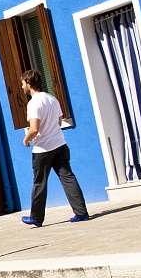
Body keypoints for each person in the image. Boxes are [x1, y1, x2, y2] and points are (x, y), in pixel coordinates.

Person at [20, 69, 89, 228]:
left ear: (29, 84)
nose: (22, 86)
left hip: (43, 149)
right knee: (68, 177)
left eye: (23, 83)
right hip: (60, 145)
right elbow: (58, 122)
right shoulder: (52, 99)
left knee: (39, 182)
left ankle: (36, 217)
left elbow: (34, 128)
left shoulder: (34, 103)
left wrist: (26, 139)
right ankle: (81, 212)